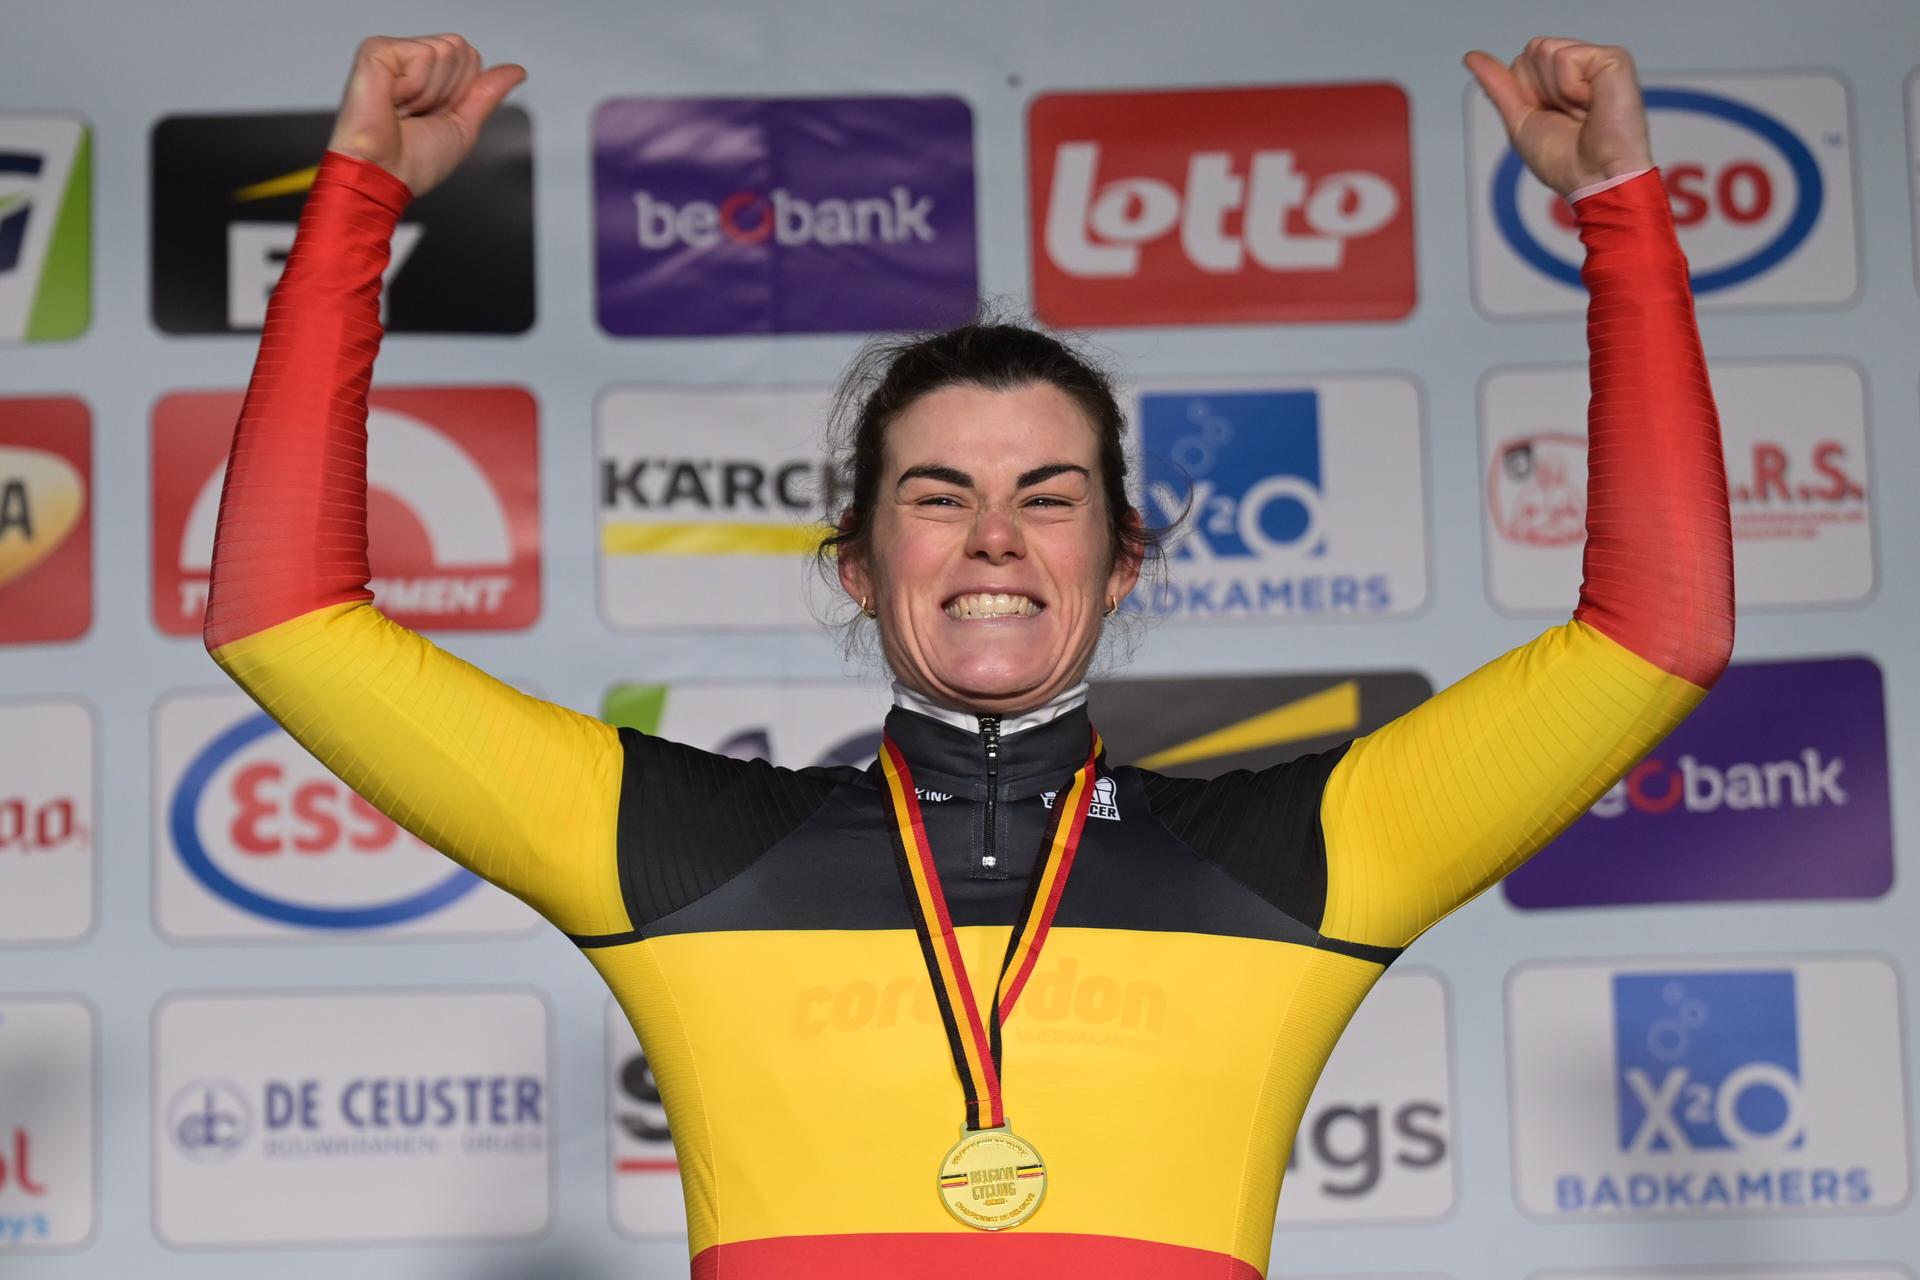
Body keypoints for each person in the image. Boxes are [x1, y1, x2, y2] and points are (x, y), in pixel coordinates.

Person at [202, 31, 1733, 1280]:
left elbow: (1656, 635)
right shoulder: (679, 851)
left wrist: (1622, 209)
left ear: (1123, 559)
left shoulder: (1300, 860)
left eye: (1048, 498)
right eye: (939, 497)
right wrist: (356, 198)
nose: (995, 536)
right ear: (861, 568)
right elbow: (285, 621)